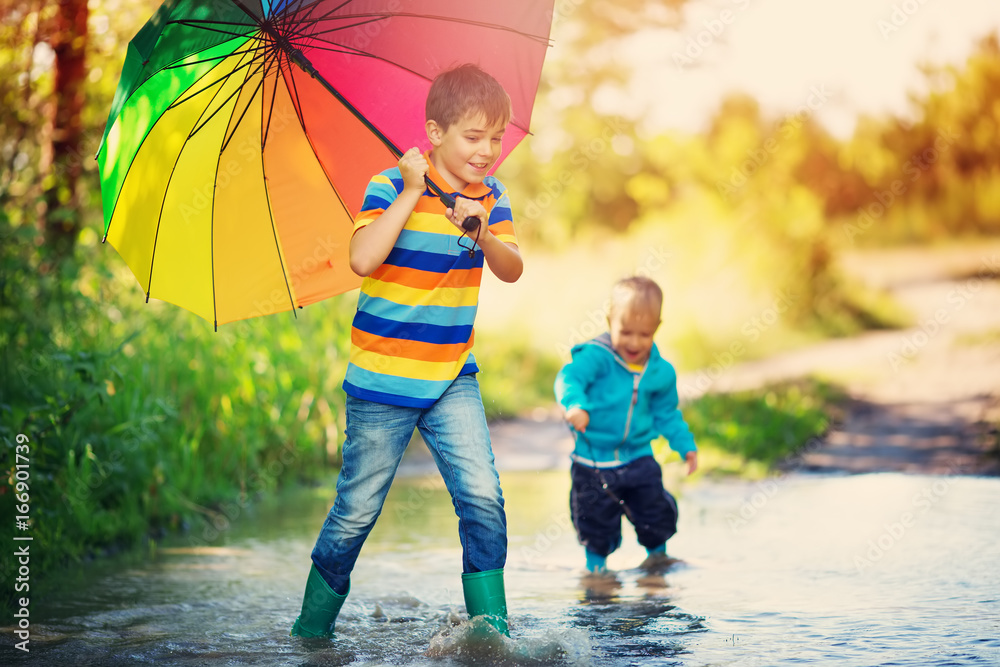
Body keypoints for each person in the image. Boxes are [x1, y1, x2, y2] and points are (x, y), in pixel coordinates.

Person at [291, 64, 523, 638]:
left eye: (496, 137)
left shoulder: (491, 196)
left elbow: (512, 269)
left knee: (483, 500)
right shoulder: (389, 185)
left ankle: (492, 636)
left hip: (451, 378)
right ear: (434, 132)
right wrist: (415, 191)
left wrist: (482, 232)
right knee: (356, 512)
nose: (487, 150)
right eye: (474, 137)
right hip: (381, 381)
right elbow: (363, 260)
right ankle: (311, 632)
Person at [554, 276, 698, 574]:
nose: (634, 342)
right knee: (594, 522)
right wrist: (574, 405)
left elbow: (667, 414)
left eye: (644, 334)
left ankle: (658, 560)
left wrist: (685, 445)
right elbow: (569, 378)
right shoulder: (596, 357)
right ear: (610, 321)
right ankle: (596, 572)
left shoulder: (659, 372)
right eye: (626, 332)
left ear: (657, 328)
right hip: (593, 461)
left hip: (638, 459)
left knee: (654, 512)